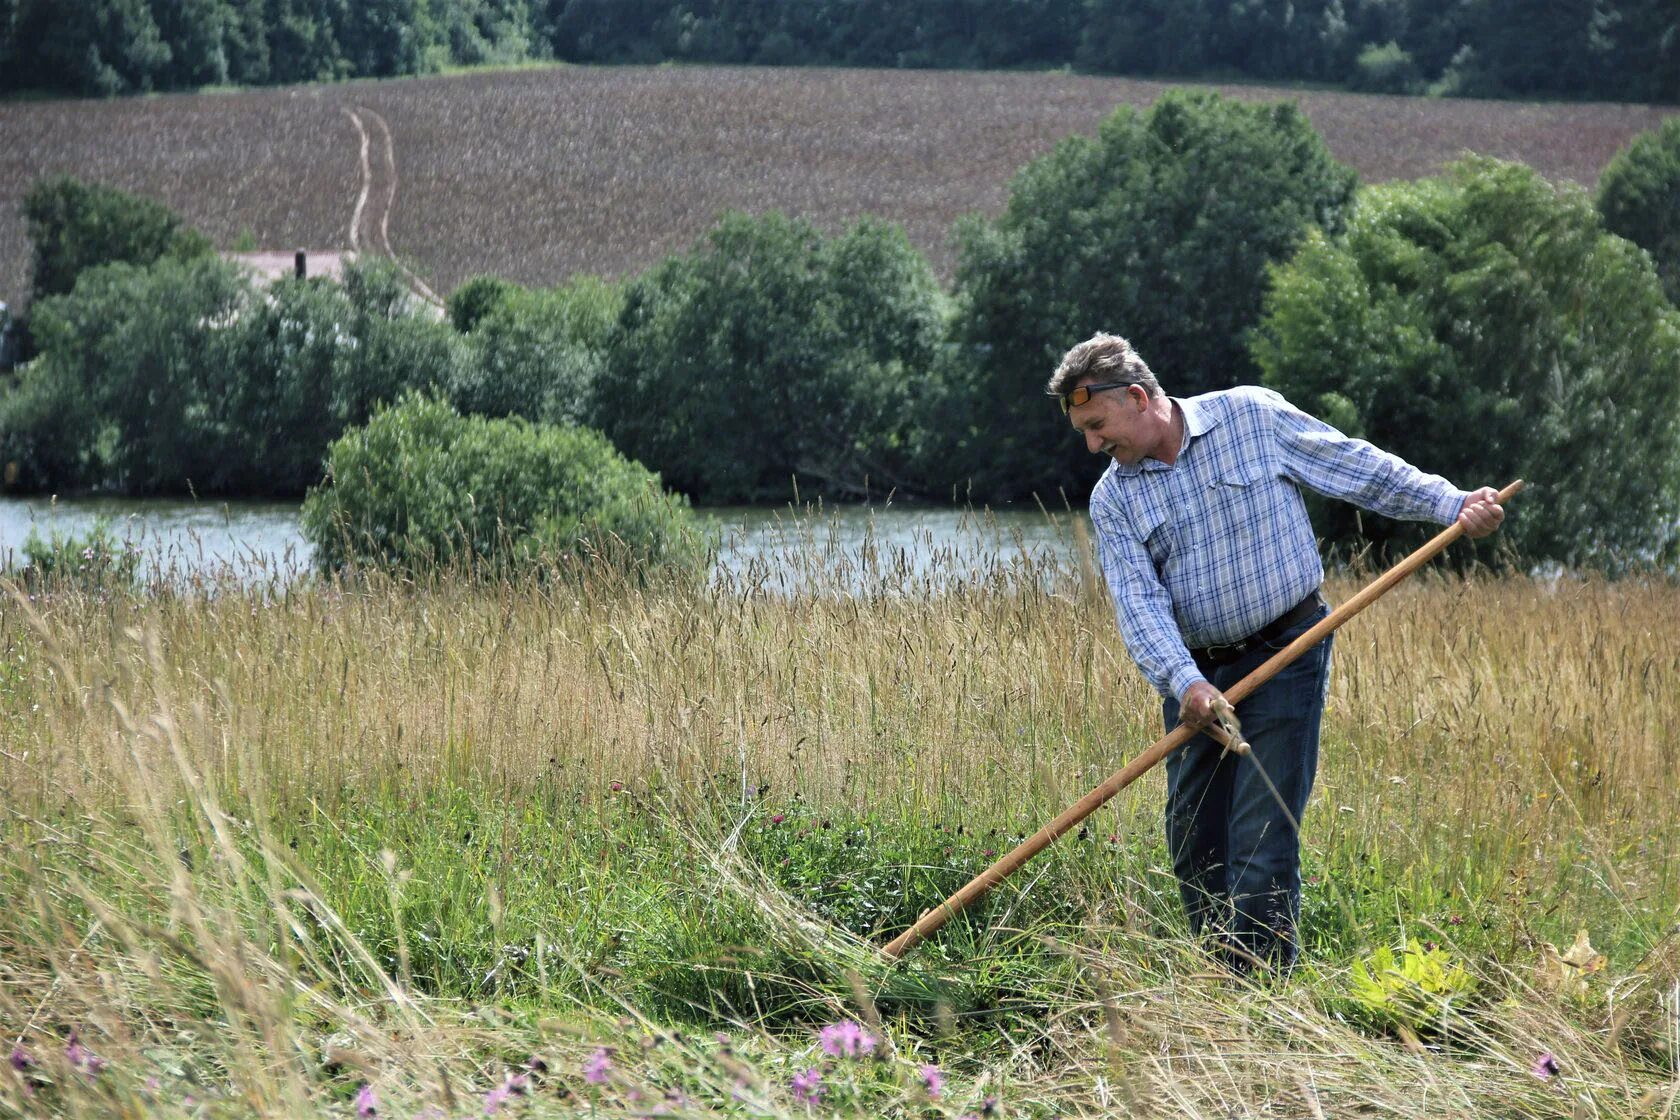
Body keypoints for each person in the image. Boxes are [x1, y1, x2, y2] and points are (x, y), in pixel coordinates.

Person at [1048, 332, 1505, 973]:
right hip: (1198, 682)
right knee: (1194, 841)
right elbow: (1138, 605)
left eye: (1097, 426)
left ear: (1136, 396)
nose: (1094, 445)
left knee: (1262, 842)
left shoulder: (1251, 416)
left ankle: (1260, 998)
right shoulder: (1114, 498)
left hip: (1291, 650)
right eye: (1084, 434)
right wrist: (1184, 682)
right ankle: (1218, 979)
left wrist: (1450, 503)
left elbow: (1355, 467)